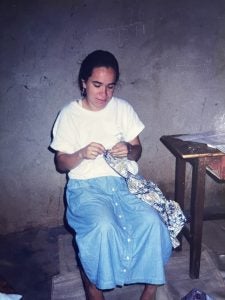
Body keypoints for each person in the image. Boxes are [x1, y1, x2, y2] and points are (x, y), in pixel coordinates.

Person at [50, 50, 172, 300]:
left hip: (124, 184)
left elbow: (137, 151)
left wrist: (129, 149)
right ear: (83, 82)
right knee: (103, 228)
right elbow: (61, 163)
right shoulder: (69, 115)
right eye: (97, 85)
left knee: (152, 223)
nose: (104, 94)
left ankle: (150, 290)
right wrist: (81, 153)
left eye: (110, 87)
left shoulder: (123, 109)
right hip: (86, 188)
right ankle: (93, 283)